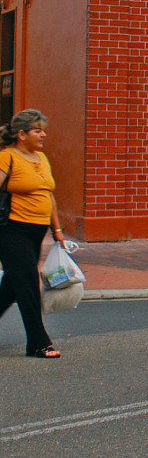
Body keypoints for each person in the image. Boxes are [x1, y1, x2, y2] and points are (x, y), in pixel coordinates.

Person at [0, 109, 67, 358]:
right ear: (21, 134)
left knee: (11, 287)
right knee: (28, 282)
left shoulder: (42, 158)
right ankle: (38, 342)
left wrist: (57, 229)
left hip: (37, 231)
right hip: (11, 230)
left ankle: (37, 341)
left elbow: (48, 194)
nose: (43, 134)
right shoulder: (7, 157)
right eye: (38, 130)